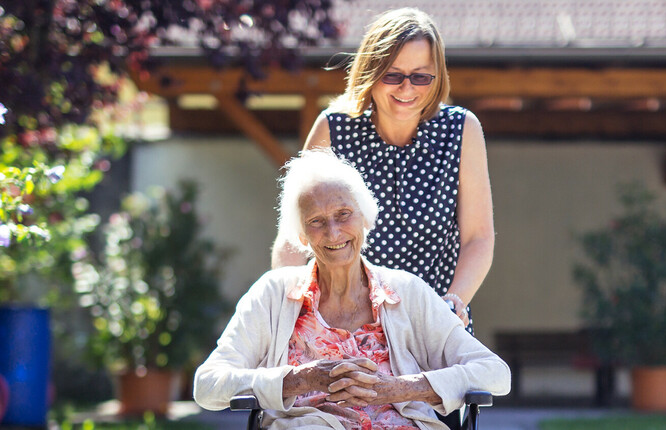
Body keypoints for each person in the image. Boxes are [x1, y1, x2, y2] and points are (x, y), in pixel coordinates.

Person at [195, 150, 509, 429]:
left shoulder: (407, 293)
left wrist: (399, 388)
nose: (333, 232)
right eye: (316, 221)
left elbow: (495, 373)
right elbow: (208, 384)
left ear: (365, 218)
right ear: (302, 236)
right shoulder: (273, 294)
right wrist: (299, 380)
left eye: (343, 214)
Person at [271, 7, 494, 331]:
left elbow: (479, 238)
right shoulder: (334, 129)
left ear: (437, 77)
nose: (407, 89)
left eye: (420, 76)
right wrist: (285, 309)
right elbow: (293, 238)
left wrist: (453, 302)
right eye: (393, 75)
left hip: (433, 324)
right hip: (345, 329)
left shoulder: (461, 130)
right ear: (370, 72)